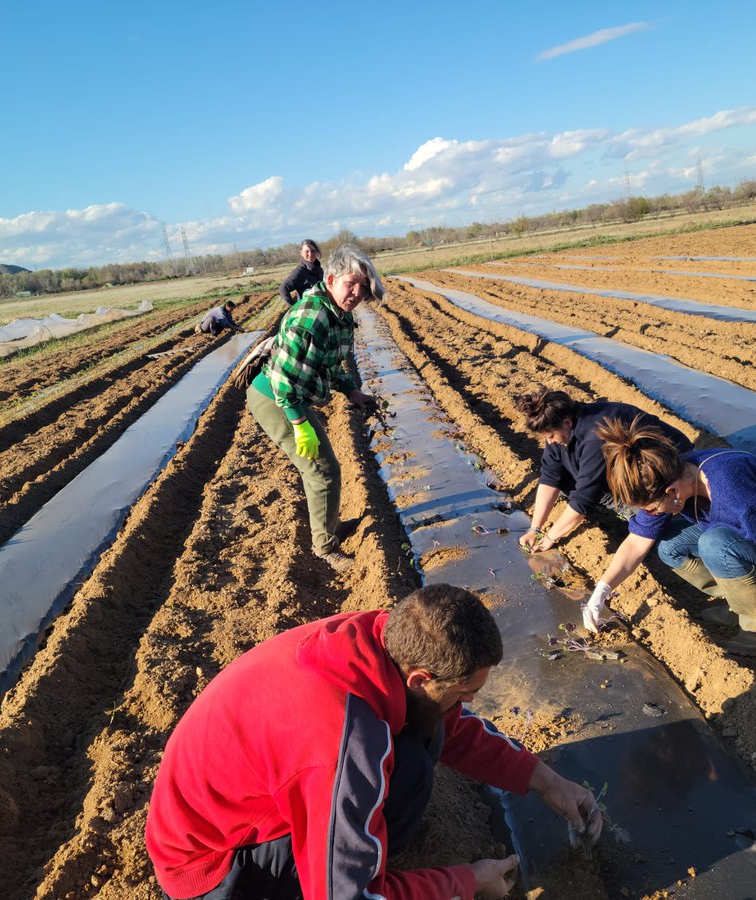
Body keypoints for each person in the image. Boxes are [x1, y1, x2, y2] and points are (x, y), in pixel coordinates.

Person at [145, 584, 603, 900]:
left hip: (242, 806)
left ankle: (362, 848)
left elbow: (453, 724)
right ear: (421, 677)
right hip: (214, 870)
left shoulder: (380, 640)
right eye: (465, 693)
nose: (466, 704)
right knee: (406, 769)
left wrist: (545, 781)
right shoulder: (341, 742)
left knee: (427, 731)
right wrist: (464, 880)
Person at [583, 419, 756, 663]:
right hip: (752, 540)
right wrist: (600, 593)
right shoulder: (678, 475)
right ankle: (741, 603)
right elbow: (637, 542)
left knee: (714, 543)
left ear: (672, 492)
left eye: (652, 508)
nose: (653, 514)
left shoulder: (730, 487)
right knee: (670, 546)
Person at [246, 244, 380, 572]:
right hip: (275, 398)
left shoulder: (338, 316)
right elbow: (283, 381)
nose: (357, 292)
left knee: (326, 467)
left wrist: (352, 391)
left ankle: (329, 527)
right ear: (332, 279)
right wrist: (299, 423)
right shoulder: (312, 316)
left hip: (291, 394)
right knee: (321, 470)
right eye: (351, 284)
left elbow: (330, 364)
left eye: (362, 286)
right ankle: (325, 547)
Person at [513, 389, 692, 554]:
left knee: (658, 529)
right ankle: (621, 503)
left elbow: (584, 497)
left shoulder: (595, 436)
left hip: (668, 468)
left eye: (550, 436)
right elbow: (550, 477)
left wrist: (550, 538)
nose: (549, 442)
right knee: (566, 479)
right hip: (630, 467)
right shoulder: (559, 428)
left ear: (567, 423)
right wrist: (534, 529)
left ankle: (652, 517)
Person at [279, 239, 324, 306]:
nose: (310, 254)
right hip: (308, 311)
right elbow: (283, 288)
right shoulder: (300, 272)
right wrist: (294, 307)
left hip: (320, 308)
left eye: (313, 251)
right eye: (307, 251)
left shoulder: (319, 269)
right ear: (301, 253)